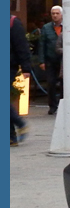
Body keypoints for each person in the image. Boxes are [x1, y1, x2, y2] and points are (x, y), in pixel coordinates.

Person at [10, 11, 32, 145]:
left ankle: (20, 123)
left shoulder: (13, 23)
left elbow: (22, 46)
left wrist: (26, 68)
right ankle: (11, 137)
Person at [38, 5, 64, 115]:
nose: (55, 15)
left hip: (64, 60)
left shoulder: (67, 26)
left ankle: (63, 105)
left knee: (64, 83)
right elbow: (41, 44)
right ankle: (52, 106)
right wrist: (41, 60)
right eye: (53, 13)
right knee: (51, 83)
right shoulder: (46, 28)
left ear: (62, 15)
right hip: (50, 60)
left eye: (57, 13)